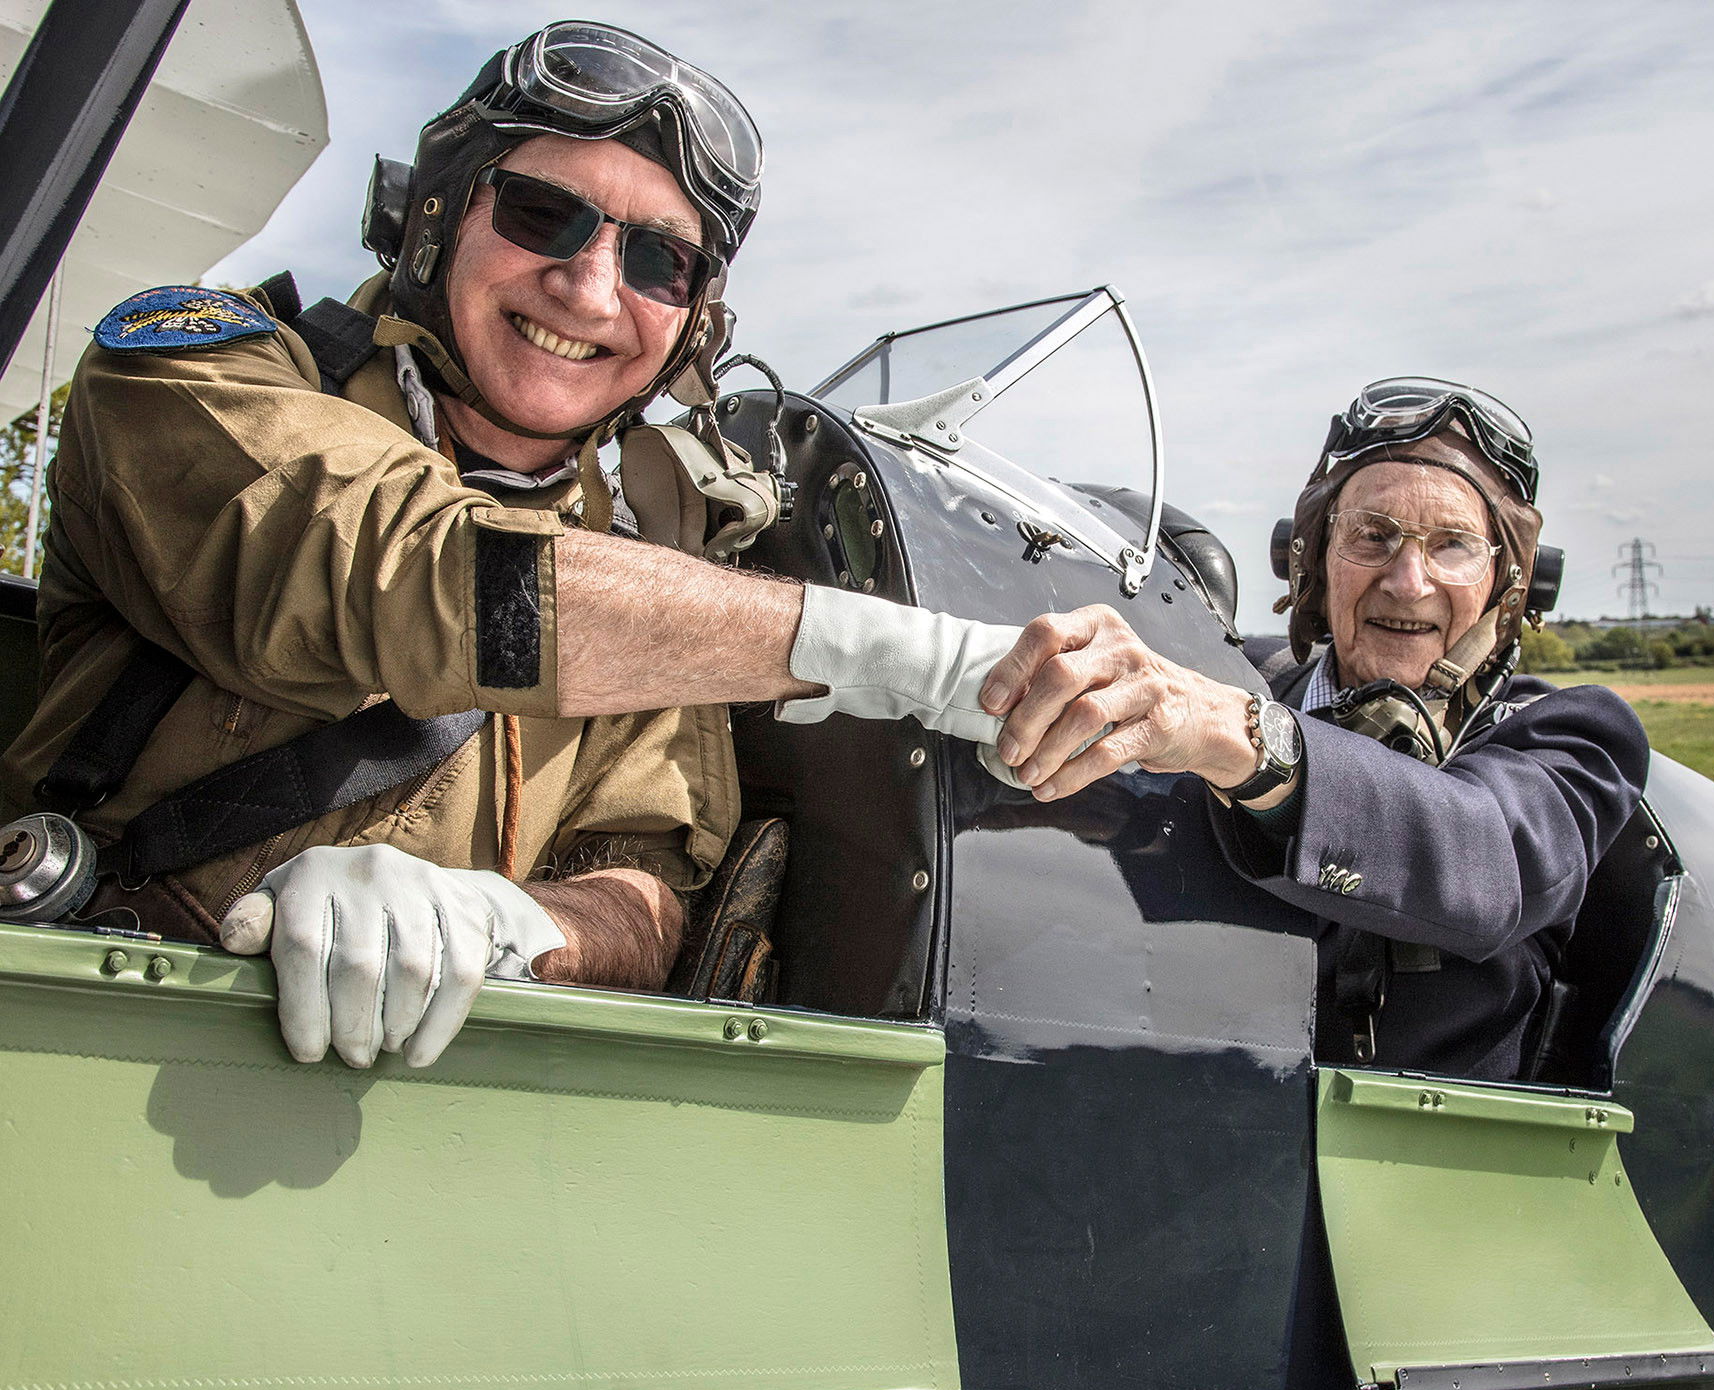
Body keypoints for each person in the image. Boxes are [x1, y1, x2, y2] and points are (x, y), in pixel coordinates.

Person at [0, 22, 1010, 1069]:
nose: (588, 288)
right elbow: (406, 572)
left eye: (660, 262)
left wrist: (510, 924)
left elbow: (645, 888)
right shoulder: (194, 377)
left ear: (694, 326)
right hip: (81, 1038)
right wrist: (901, 654)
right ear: (431, 218)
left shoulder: (643, 573)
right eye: (543, 214)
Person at [978, 378, 1650, 1082]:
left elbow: (1492, 861)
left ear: (1507, 587)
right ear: (1312, 561)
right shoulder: (1234, 674)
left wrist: (1248, 742)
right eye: (1373, 535)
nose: (1408, 579)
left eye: (1453, 546)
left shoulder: (1575, 735)